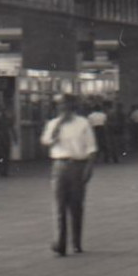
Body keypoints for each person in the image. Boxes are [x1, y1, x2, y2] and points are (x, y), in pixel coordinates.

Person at [41, 95, 97, 256]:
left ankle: (76, 242)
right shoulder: (52, 124)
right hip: (59, 165)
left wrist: (89, 168)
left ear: (72, 105)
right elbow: (46, 142)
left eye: (65, 104)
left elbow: (92, 148)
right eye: (59, 104)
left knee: (76, 205)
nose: (62, 107)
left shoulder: (83, 123)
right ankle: (60, 243)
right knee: (58, 205)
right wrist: (58, 125)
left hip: (77, 165)